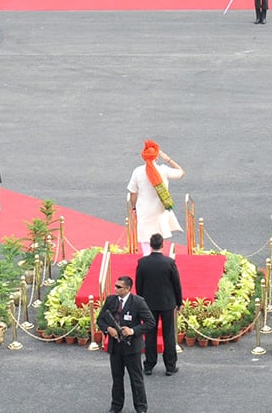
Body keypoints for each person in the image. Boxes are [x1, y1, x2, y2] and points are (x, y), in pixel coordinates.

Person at [97, 276, 154, 413]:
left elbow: (150, 322)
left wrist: (133, 331)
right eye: (115, 286)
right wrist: (108, 329)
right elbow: (100, 319)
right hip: (115, 347)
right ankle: (116, 405)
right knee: (117, 378)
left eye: (119, 287)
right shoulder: (111, 300)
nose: (115, 289)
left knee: (136, 380)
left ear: (128, 289)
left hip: (131, 348)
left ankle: (141, 408)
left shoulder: (138, 302)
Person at [134, 233, 183, 377]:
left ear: (150, 245)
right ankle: (170, 366)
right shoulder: (169, 262)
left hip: (148, 304)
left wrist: (140, 302)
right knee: (168, 335)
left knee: (150, 334)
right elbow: (176, 284)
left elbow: (139, 285)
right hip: (167, 303)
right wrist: (179, 301)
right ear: (163, 245)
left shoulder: (142, 263)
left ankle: (149, 365)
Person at [127, 140, 184, 256]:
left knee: (144, 237)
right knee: (159, 235)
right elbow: (181, 172)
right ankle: (159, 259)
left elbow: (133, 193)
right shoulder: (163, 170)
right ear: (156, 157)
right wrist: (168, 159)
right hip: (160, 209)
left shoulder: (137, 171)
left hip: (143, 210)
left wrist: (133, 208)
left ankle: (147, 259)